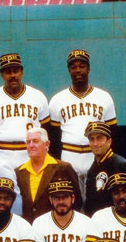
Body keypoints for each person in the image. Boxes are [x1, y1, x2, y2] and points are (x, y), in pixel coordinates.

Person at [49, 50, 117, 194]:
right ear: (69, 70)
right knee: (72, 200)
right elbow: (54, 136)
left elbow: (113, 133)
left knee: (97, 198)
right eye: (73, 67)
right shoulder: (57, 99)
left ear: (88, 69)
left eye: (82, 66)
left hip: (96, 155)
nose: (78, 70)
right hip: (69, 155)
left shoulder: (104, 97)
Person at [0, 53, 51, 168]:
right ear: (2, 74)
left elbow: (47, 131)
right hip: (1, 156)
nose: (12, 75)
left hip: (31, 154)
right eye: (8, 72)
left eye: (15, 71)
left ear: (21, 72)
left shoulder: (38, 96)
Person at [32, 179, 99, 242]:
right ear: (50, 199)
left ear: (73, 198)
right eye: (56, 198)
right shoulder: (39, 222)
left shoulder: (86, 222)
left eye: (65, 197)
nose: (61, 202)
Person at [15, 127, 81, 223]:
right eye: (28, 142)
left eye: (35, 141)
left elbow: (77, 201)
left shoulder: (63, 168)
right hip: (28, 227)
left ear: (47, 144)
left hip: (55, 226)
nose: (31, 145)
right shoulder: (19, 172)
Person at [83, 121, 126, 216]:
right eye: (92, 139)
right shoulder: (92, 169)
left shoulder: (120, 164)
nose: (95, 143)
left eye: (99, 138)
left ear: (109, 142)